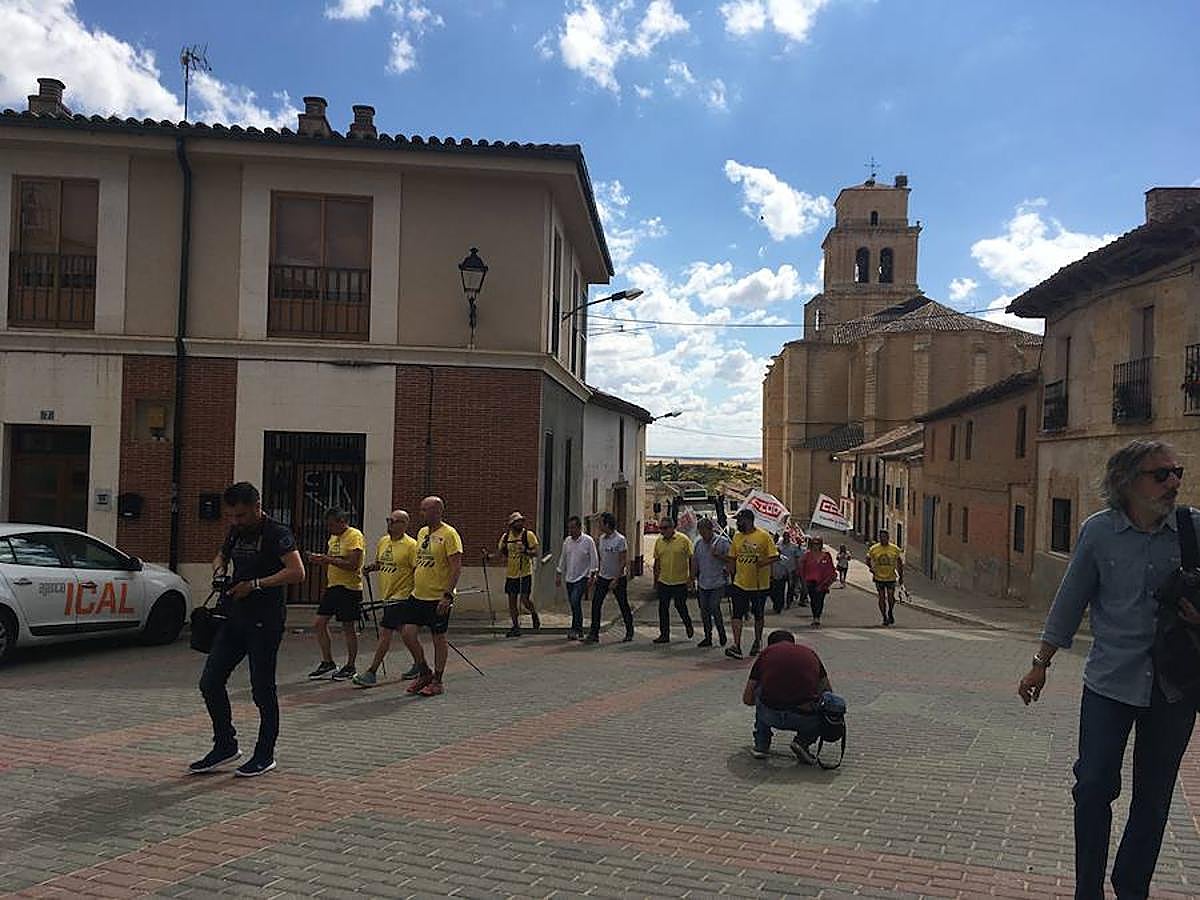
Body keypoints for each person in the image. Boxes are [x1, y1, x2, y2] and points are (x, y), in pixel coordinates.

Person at [1018, 440, 1198, 900]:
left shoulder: (1192, 530)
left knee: (1154, 798)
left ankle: (1131, 886)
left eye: (1176, 472)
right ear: (1126, 482)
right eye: (1161, 475)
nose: (1174, 482)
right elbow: (1070, 599)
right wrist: (1041, 664)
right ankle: (1087, 890)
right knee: (1094, 786)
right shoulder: (1098, 532)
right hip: (1109, 682)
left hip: (1174, 687)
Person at [192, 482, 305, 778]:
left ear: (257, 506)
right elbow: (221, 555)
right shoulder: (236, 531)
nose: (235, 522)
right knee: (210, 682)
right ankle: (225, 745)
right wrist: (219, 568)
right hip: (233, 617)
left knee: (262, 689)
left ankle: (264, 754)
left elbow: (297, 571)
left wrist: (256, 584)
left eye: (241, 515)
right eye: (231, 516)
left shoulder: (277, 533)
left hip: (264, 621)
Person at [399, 496, 462, 697]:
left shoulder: (450, 534)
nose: (422, 513)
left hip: (438, 596)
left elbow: (455, 567)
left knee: (438, 638)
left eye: (425, 510)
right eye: (421, 510)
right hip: (419, 594)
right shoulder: (422, 532)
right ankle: (424, 671)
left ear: (437, 511)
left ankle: (438, 679)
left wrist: (447, 595)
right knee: (408, 633)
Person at [742, 629, 831, 763]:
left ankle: (761, 745)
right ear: (793, 643)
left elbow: (747, 699)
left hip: (771, 715)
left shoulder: (766, 654)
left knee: (760, 691)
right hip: (805, 718)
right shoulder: (810, 653)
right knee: (826, 702)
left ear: (770, 645)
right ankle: (803, 742)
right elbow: (828, 691)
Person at [352, 510, 418, 687]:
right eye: (388, 520)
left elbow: (417, 571)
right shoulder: (383, 541)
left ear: (404, 524)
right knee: (406, 634)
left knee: (385, 633)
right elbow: (382, 563)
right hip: (387, 595)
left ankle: (371, 672)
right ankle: (421, 664)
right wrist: (371, 568)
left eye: (394, 521)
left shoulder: (411, 546)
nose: (389, 524)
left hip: (401, 597)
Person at [307, 509, 365, 680]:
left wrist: (327, 559)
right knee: (319, 623)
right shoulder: (333, 538)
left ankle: (351, 665)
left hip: (349, 587)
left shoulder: (354, 536)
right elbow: (333, 561)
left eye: (331, 524)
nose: (329, 528)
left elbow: (352, 564)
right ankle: (328, 662)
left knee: (348, 627)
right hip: (333, 586)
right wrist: (320, 560)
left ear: (342, 522)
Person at [725, 508, 777, 660]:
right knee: (737, 614)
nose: (738, 524)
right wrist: (729, 569)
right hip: (740, 583)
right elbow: (732, 557)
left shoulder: (763, 536)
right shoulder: (737, 537)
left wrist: (763, 562)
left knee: (758, 615)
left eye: (740, 521)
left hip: (759, 584)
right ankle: (736, 645)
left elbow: (774, 556)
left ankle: (757, 641)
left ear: (748, 520)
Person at [587, 512, 633, 644]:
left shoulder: (620, 539)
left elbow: (623, 560)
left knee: (623, 604)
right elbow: (601, 558)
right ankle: (594, 633)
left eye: (601, 522)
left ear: (607, 524)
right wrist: (596, 573)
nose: (599, 525)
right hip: (603, 576)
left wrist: (616, 579)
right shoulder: (601, 539)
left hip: (617, 577)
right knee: (596, 604)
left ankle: (629, 630)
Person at [651, 516, 694, 644]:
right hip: (664, 580)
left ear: (672, 528)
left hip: (680, 581)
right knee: (663, 608)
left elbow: (692, 559)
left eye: (664, 528)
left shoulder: (683, 540)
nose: (662, 531)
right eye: (660, 528)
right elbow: (657, 562)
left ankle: (688, 624)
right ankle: (664, 634)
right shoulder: (659, 542)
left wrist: (691, 578)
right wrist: (655, 580)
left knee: (680, 606)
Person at [498, 511, 541, 637]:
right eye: (517, 522)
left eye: (521, 521)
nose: (520, 524)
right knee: (512, 601)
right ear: (512, 524)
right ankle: (515, 626)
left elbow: (536, 552)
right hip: (511, 574)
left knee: (524, 600)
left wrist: (526, 551)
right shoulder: (506, 537)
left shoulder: (528, 535)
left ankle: (534, 614)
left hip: (524, 572)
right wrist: (488, 557)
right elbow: (500, 552)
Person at [556, 515, 598, 640]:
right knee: (574, 604)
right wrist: (559, 573)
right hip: (570, 577)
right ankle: (578, 629)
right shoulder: (567, 541)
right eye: (569, 528)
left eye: (573, 528)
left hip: (582, 577)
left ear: (579, 528)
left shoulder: (588, 541)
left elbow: (594, 558)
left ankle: (575, 628)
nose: (571, 531)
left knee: (575, 600)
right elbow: (563, 558)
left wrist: (592, 574)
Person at [692, 517, 730, 648]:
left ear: (710, 530)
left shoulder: (722, 542)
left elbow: (731, 560)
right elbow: (695, 562)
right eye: (700, 532)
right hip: (703, 582)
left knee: (714, 607)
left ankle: (721, 633)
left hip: (718, 582)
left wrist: (718, 555)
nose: (703, 534)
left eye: (705, 531)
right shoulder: (698, 544)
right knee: (704, 611)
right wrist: (691, 578)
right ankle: (707, 636)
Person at [866, 529, 903, 627]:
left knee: (891, 596)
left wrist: (901, 576)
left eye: (885, 537)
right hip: (878, 577)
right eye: (881, 537)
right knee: (881, 597)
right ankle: (884, 616)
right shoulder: (874, 549)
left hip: (891, 577)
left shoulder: (894, 549)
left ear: (888, 538)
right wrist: (871, 568)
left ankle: (890, 611)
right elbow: (867, 559)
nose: (883, 539)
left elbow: (899, 563)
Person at [800, 536, 837, 628]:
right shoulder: (807, 555)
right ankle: (815, 616)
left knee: (820, 599)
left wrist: (828, 581)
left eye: (817, 544)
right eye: (814, 544)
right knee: (813, 599)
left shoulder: (826, 555)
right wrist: (803, 581)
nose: (816, 546)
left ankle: (817, 617)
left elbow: (830, 569)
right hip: (810, 581)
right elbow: (802, 569)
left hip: (823, 582)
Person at [773, 530, 802, 612]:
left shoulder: (794, 547)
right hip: (781, 570)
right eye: (785, 536)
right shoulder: (778, 546)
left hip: (791, 570)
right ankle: (780, 604)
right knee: (780, 588)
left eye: (787, 536)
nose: (786, 537)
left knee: (790, 588)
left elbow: (797, 557)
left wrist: (797, 568)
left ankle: (789, 602)